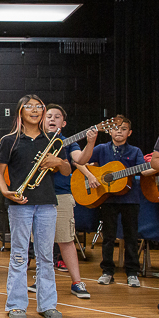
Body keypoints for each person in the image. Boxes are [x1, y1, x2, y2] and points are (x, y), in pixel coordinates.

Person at [0, 95, 70, 318]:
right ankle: (16, 304)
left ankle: (48, 304)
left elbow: (66, 171)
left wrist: (58, 163)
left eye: (39, 107)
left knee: (45, 256)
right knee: (19, 255)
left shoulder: (53, 139)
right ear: (20, 112)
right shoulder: (9, 140)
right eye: (29, 107)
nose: (35, 110)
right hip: (20, 204)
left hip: (47, 203)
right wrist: (6, 191)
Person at [28, 104, 97, 298]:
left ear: (63, 123)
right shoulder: (34, 139)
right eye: (48, 116)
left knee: (66, 240)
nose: (52, 119)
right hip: (38, 195)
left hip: (61, 196)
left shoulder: (68, 142)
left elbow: (80, 160)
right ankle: (41, 279)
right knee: (41, 242)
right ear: (42, 120)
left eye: (56, 117)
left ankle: (77, 282)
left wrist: (90, 143)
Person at [87, 116, 155, 287]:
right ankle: (107, 271)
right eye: (116, 128)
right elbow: (82, 162)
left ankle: (132, 272)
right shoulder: (101, 149)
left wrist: (155, 167)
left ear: (129, 133)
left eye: (124, 129)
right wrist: (91, 176)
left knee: (131, 237)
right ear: (110, 131)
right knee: (108, 236)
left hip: (130, 199)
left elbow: (143, 172)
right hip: (107, 198)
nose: (119, 131)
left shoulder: (135, 151)